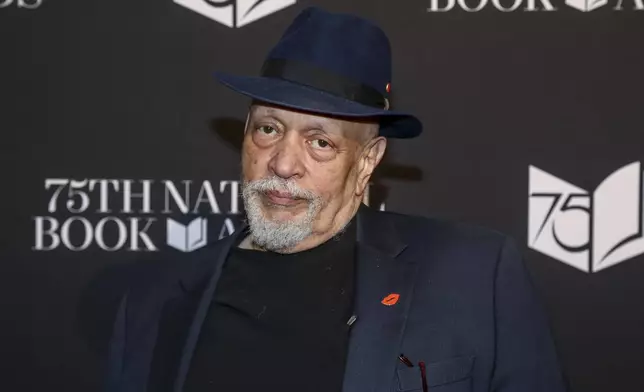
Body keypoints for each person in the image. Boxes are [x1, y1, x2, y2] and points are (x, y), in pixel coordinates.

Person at [91, 6, 567, 392]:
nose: (281, 163)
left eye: (320, 142)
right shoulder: (154, 300)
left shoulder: (474, 276)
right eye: (268, 129)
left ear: (367, 162)